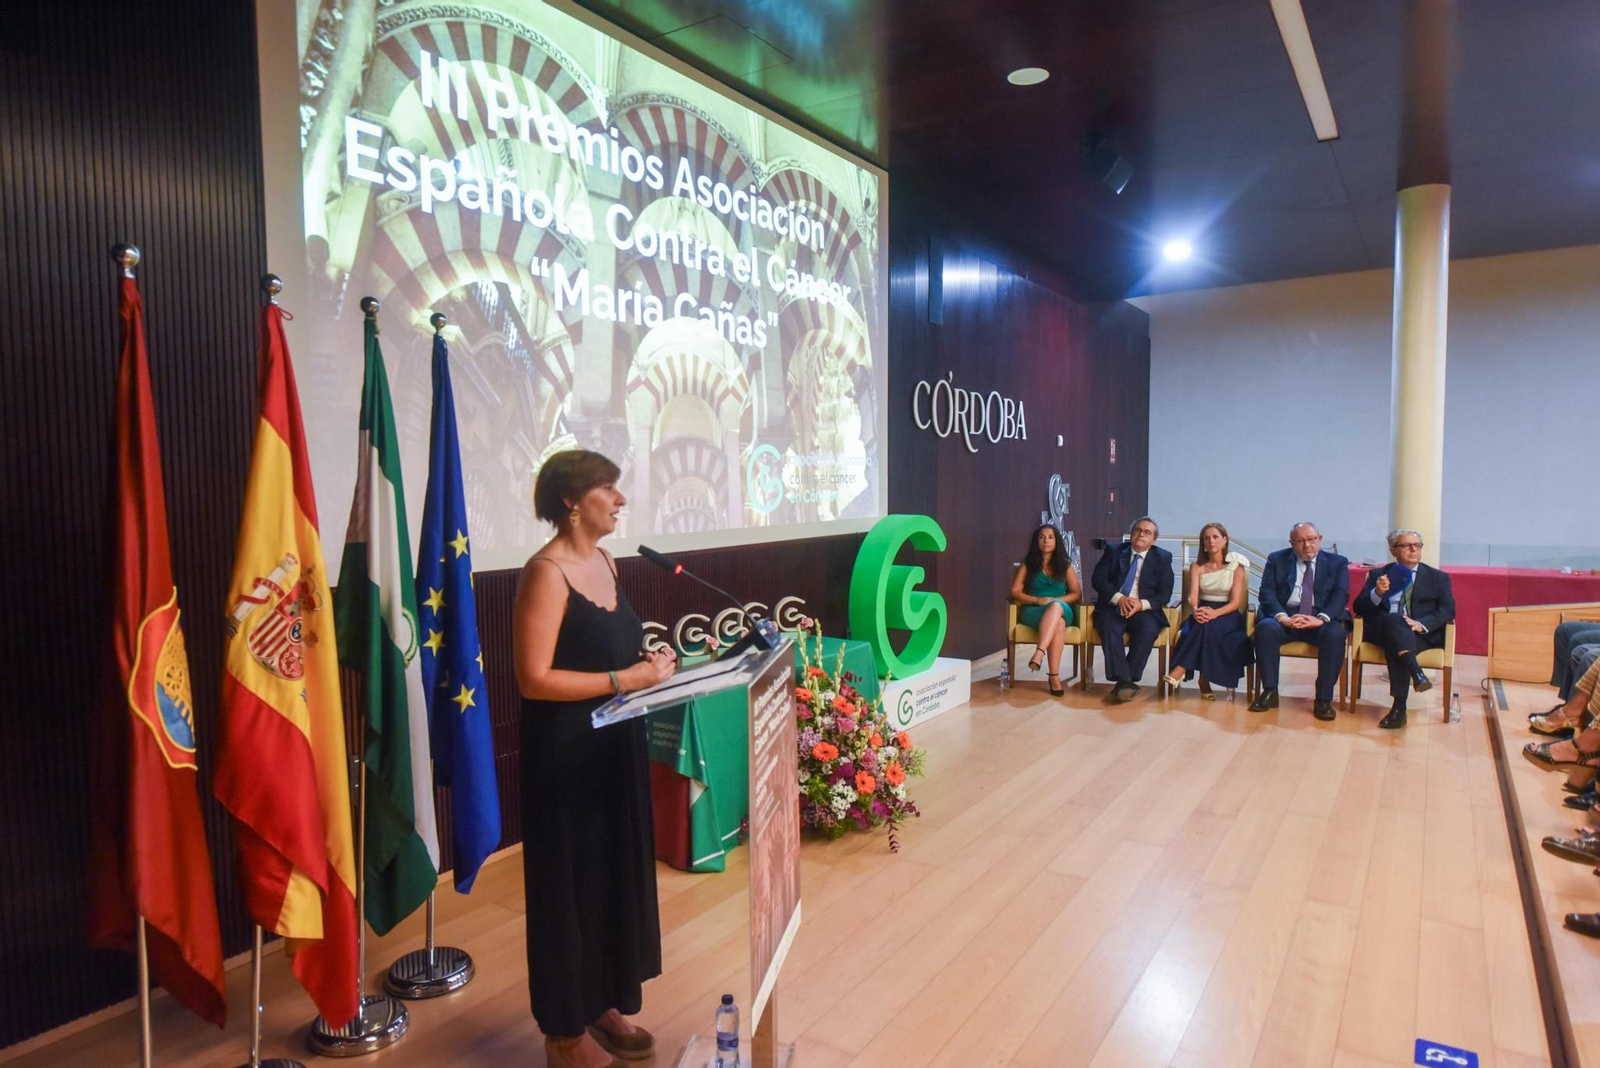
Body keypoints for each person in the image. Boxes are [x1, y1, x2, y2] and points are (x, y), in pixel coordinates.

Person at [513, 449, 678, 1068]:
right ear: (570, 501)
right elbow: (533, 679)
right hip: (566, 761)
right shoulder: (545, 573)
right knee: (569, 889)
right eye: (608, 488)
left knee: (612, 878)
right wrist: (626, 679)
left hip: (616, 748)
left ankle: (603, 1000)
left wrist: (652, 669)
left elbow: (614, 652)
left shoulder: (607, 562)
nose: (620, 499)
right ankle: (563, 1033)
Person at [1353, 529, 1456, 729]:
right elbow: (1359, 608)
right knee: (1394, 621)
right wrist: (1377, 593)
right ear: (1393, 550)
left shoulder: (1437, 577)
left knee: (1398, 643)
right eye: (1406, 545)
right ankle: (1416, 673)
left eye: (1417, 545)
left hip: (1419, 633)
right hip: (1382, 629)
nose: (1413, 550)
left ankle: (1399, 709)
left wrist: (1421, 624)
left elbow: (1447, 610)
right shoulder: (1378, 575)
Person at [1249, 522, 1349, 721]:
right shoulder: (1277, 559)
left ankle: (1323, 699)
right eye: (1300, 541)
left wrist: (1320, 619)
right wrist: (1282, 617)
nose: (1307, 546)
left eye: (1311, 540)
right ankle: (1270, 691)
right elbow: (1267, 593)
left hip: (1318, 617)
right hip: (1287, 616)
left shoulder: (1337, 562)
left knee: (1335, 634)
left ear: (1319, 539)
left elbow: (1341, 595)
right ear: (1292, 542)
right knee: (1265, 629)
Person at [1164, 522, 1253, 698]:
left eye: (1215, 537)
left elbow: (1235, 602)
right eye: (1206, 538)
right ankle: (1203, 679)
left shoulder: (1237, 568)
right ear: (1202, 543)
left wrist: (1215, 613)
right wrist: (1196, 609)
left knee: (1207, 625)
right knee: (1202, 622)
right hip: (1203, 607)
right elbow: (1193, 596)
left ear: (1225, 540)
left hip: (1227, 612)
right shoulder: (1197, 566)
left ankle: (1181, 668)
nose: (1211, 541)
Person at [1091, 516, 1173, 703]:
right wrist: (1119, 598)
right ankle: (1126, 681)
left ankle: (1124, 680)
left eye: (1147, 532)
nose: (1141, 534)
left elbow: (1164, 594)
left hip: (1143, 609)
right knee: (1108, 627)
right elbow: (1098, 580)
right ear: (1131, 533)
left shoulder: (1163, 558)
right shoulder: (1113, 551)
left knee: (1148, 630)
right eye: (1138, 530)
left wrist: (1140, 604)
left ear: (1154, 540)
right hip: (1114, 605)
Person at [1009, 523, 1083, 696]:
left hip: (1062, 606)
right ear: (1036, 541)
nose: (1046, 541)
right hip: (1034, 610)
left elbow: (1076, 593)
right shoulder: (1029, 563)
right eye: (1041, 537)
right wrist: (1038, 599)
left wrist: (1055, 600)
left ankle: (1039, 654)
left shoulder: (1065, 565)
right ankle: (1054, 676)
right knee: (1058, 624)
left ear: (1057, 541)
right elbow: (1015, 591)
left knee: (1056, 608)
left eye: (1050, 537)